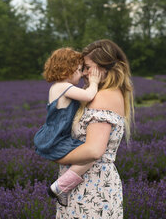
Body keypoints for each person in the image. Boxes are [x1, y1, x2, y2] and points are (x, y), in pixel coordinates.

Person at [55, 39, 134, 218]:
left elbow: (94, 151)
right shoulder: (111, 94)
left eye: (88, 67)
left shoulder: (103, 98)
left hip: (91, 188)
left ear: (104, 68)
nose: (83, 73)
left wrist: (58, 156)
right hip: (88, 186)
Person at [33, 47, 102, 207]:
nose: (81, 73)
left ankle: (63, 188)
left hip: (57, 137)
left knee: (89, 155)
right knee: (91, 155)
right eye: (78, 70)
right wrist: (94, 82)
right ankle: (59, 188)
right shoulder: (62, 87)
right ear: (67, 70)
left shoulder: (60, 88)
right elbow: (89, 95)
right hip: (56, 139)